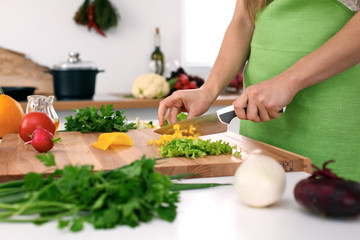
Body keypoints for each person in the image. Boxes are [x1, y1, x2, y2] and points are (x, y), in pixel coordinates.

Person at [158, 0, 360, 181]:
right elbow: (244, 20)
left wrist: (288, 81)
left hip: (333, 123)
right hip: (259, 130)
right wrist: (208, 90)